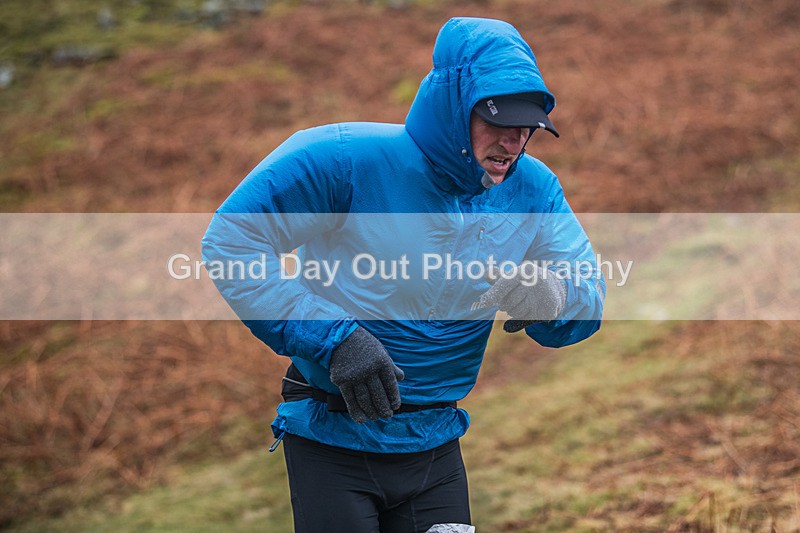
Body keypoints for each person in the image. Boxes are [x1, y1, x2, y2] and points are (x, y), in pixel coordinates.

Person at [202, 16, 604, 533]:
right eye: (497, 122)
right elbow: (232, 241)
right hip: (332, 442)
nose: (513, 142)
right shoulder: (344, 160)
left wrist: (550, 298)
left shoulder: (534, 190)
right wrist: (334, 338)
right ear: (454, 108)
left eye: (526, 128)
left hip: (436, 449)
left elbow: (589, 293)